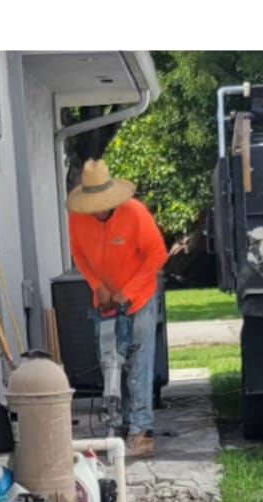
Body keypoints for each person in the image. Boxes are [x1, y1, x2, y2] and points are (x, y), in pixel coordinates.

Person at [66, 158, 169, 459]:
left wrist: (129, 291)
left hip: (138, 297)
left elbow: (157, 255)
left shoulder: (134, 213)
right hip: (105, 299)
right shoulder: (78, 217)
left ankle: (141, 430)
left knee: (138, 364)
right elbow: (79, 254)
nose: (96, 209)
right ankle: (118, 423)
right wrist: (97, 284)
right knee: (111, 363)